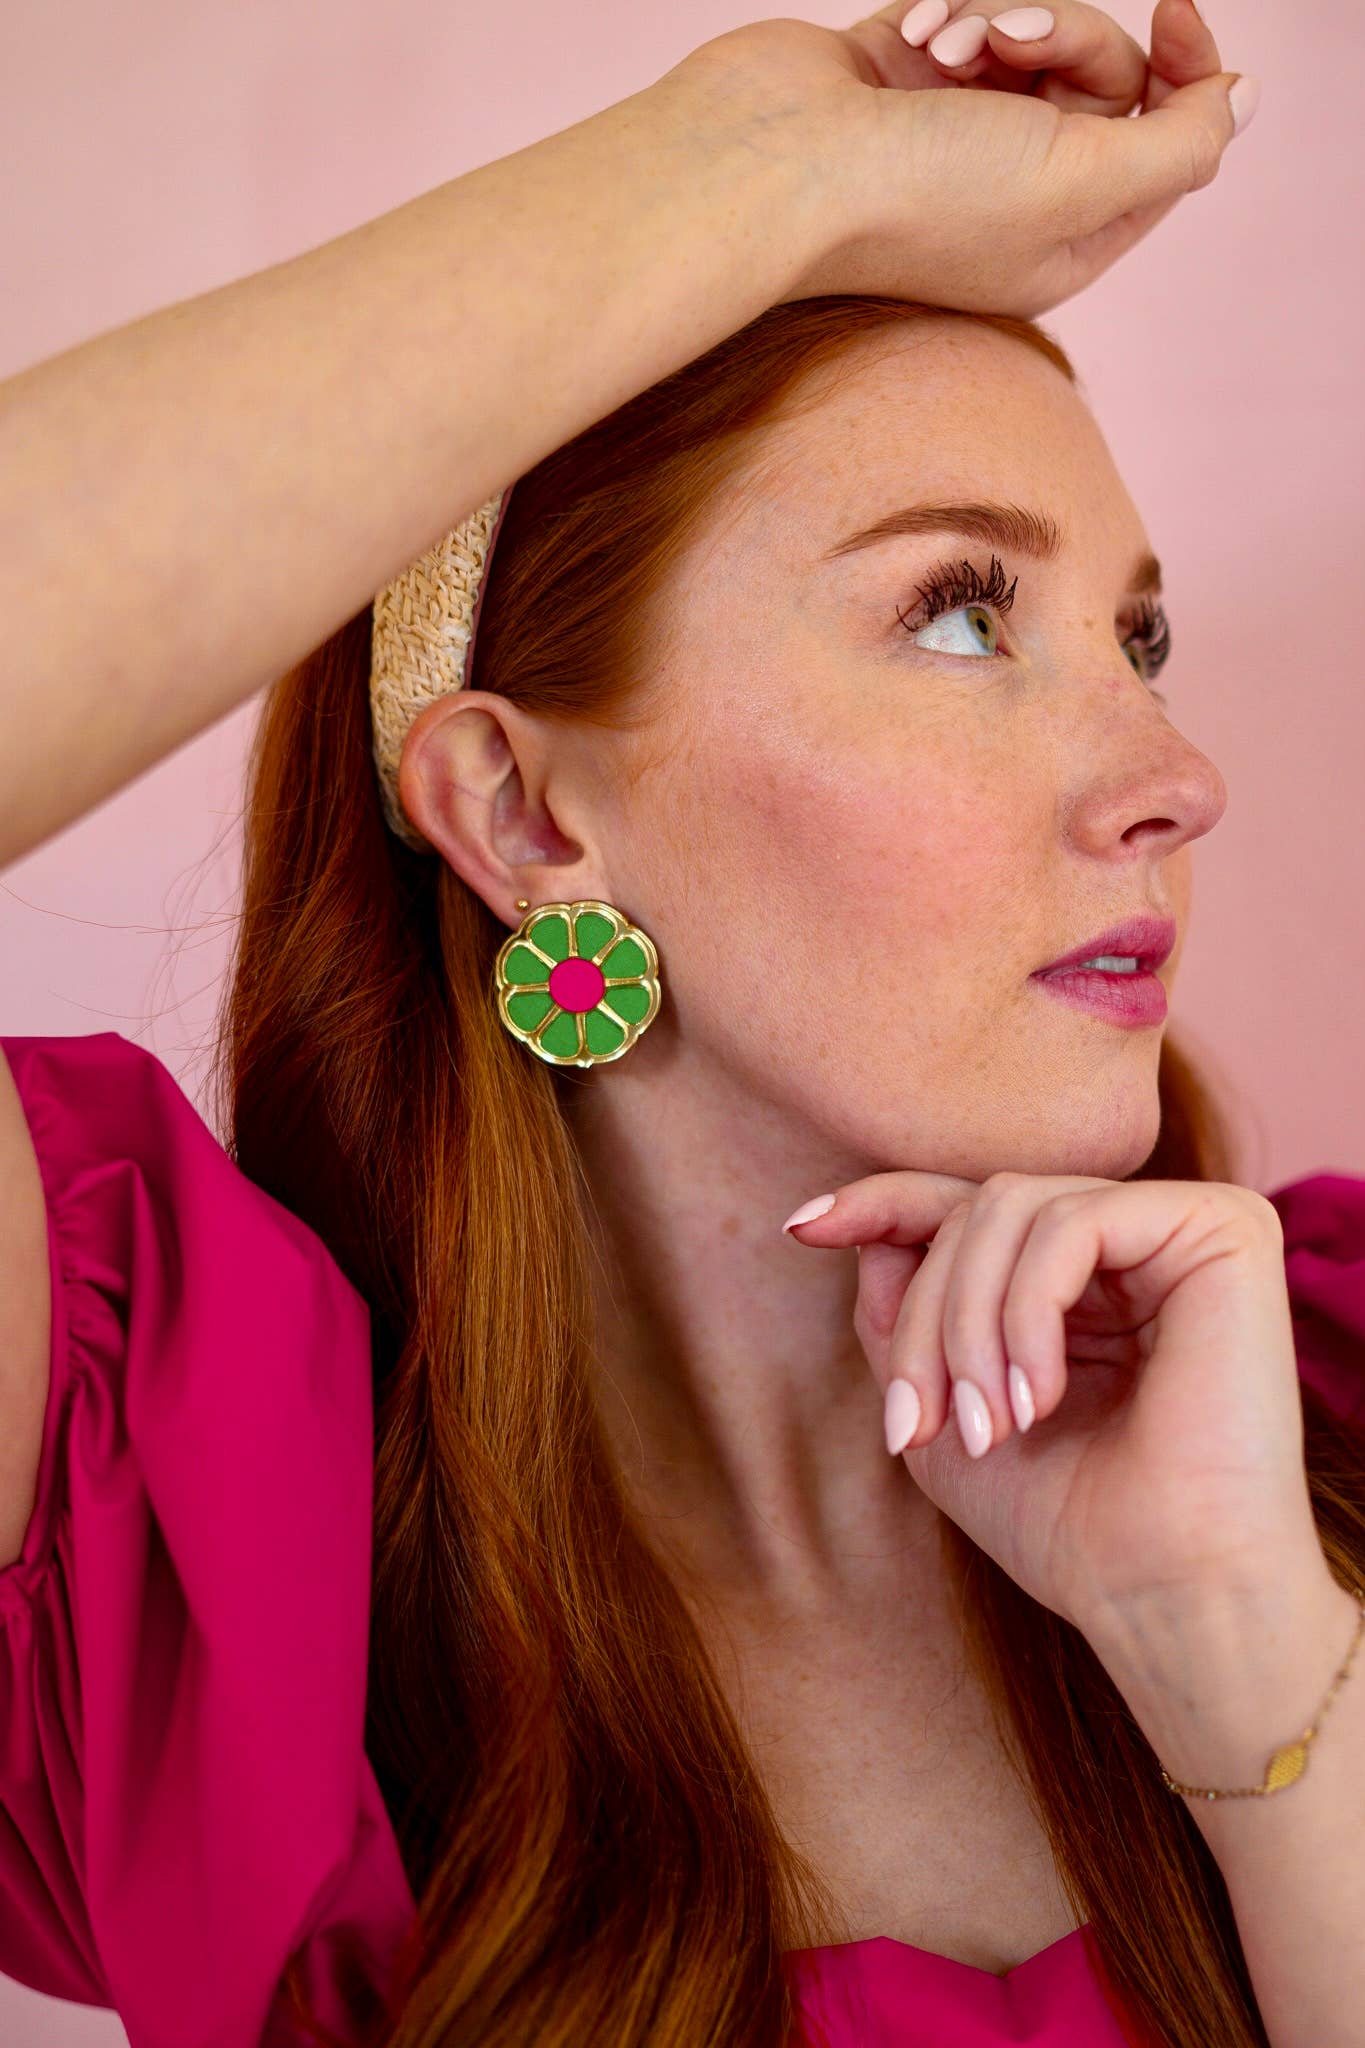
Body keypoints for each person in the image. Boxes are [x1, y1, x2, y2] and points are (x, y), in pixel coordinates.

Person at [6, 5, 1362, 2047]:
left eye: (1134, 633)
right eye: (959, 613)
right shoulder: (190, 1552)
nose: (1169, 769)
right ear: (526, 813)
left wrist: (1263, 1681)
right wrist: (745, 168)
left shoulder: (1318, 1416)